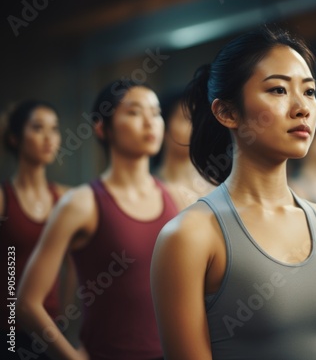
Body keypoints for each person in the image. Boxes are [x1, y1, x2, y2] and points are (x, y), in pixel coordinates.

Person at [150, 25, 316, 360]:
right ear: (227, 112)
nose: (302, 108)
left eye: (309, 92)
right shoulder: (189, 236)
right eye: (279, 90)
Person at [17, 81, 178, 360]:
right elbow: (27, 304)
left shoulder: (177, 198)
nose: (150, 122)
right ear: (102, 128)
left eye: (156, 112)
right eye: (134, 112)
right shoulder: (80, 203)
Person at [1, 100, 75, 359]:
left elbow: (74, 265)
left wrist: (64, 318)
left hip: (51, 328)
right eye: (37, 128)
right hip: (8, 330)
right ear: (14, 138)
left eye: (54, 129)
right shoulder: (3, 198)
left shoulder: (66, 199)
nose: (49, 138)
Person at [154, 90, 214, 209]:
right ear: (163, 126)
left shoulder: (217, 187)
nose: (195, 127)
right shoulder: (152, 189)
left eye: (199, 120)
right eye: (187, 118)